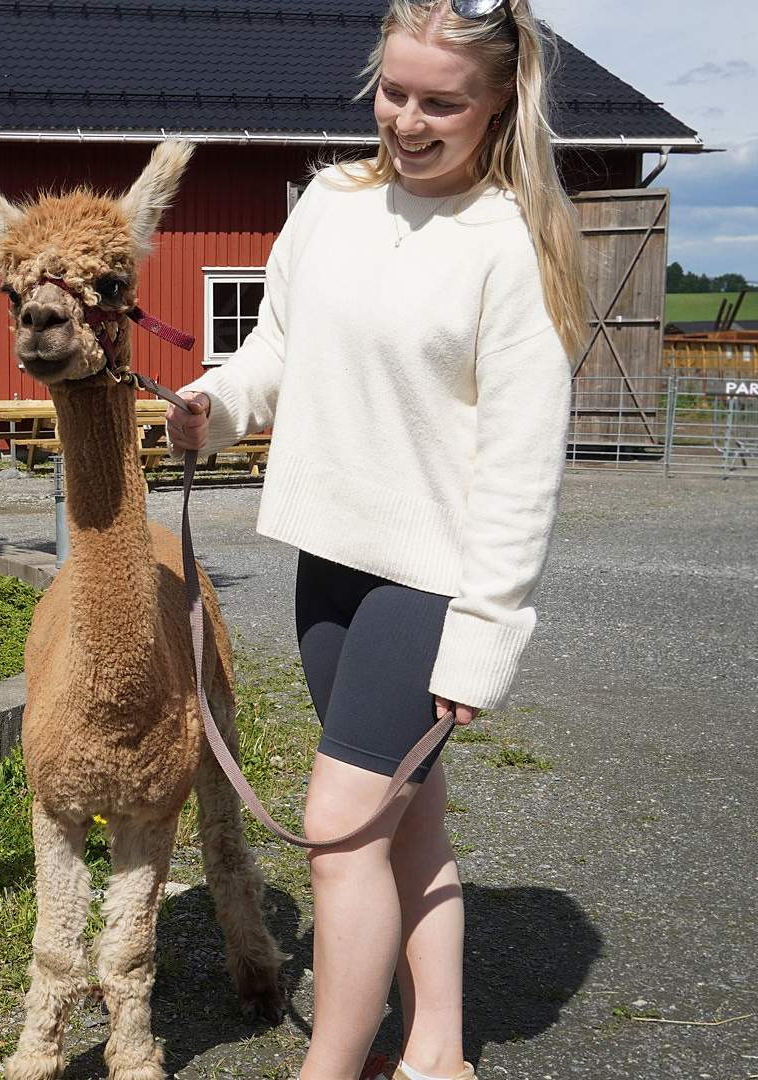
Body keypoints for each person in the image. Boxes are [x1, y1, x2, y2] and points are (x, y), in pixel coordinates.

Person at [166, 2, 587, 1078]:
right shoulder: (329, 203)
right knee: (407, 828)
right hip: (331, 564)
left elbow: (520, 467)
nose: (406, 120)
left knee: (340, 832)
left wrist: (485, 635)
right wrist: (214, 405)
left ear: (500, 103)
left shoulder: (512, 247)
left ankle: (332, 1070)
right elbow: (274, 350)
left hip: (433, 585)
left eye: (442, 101)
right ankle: (438, 1053)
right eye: (395, 92)